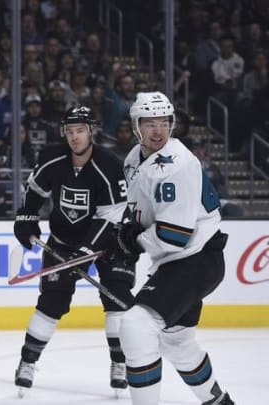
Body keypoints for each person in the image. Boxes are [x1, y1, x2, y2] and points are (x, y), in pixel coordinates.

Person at [116, 91, 234, 405]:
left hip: (196, 259)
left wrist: (135, 242)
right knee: (176, 343)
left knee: (135, 325)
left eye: (164, 122)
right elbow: (139, 213)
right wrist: (124, 233)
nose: (158, 130)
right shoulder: (133, 160)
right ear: (136, 126)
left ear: (172, 123)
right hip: (176, 263)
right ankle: (219, 402)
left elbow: (175, 235)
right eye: (149, 123)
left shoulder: (177, 165)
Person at [13, 106, 134, 391]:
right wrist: (26, 218)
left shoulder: (110, 166)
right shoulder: (51, 158)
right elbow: (35, 192)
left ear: (92, 131)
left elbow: (112, 218)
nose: (75, 137)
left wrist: (88, 251)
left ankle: (119, 362)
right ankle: (27, 361)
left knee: (117, 299)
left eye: (80, 130)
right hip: (64, 240)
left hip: (111, 242)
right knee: (52, 302)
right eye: (70, 131)